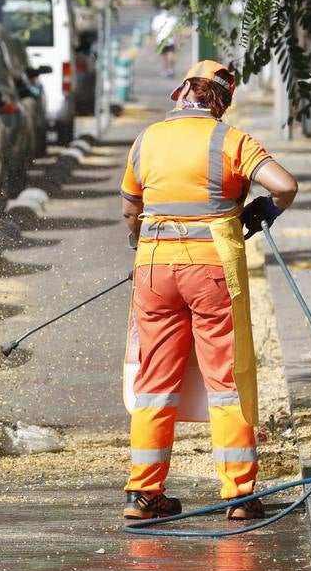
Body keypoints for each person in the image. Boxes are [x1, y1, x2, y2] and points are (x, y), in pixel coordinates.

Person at [119, 60, 298, 521]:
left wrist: (142, 244)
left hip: (154, 272)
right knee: (226, 381)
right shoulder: (230, 140)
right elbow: (285, 185)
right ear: (223, 101)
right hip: (213, 271)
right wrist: (263, 211)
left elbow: (130, 209)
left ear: (182, 93)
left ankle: (143, 494)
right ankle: (237, 495)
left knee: (154, 384)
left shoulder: (147, 139)